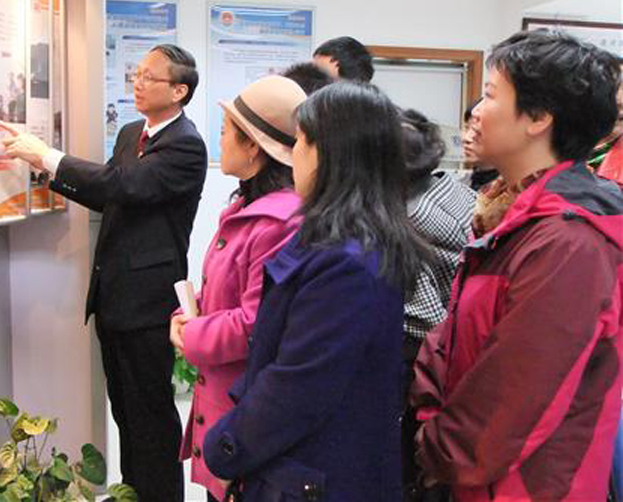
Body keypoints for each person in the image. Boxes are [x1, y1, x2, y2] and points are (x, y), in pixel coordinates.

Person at [411, 29, 623, 502]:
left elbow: (515, 394)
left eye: (490, 95)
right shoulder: (505, 214)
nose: (476, 112)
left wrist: (437, 446)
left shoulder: (570, 240)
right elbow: (450, 337)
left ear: (539, 118)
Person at [203, 82, 429, 501]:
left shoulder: (348, 261)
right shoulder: (340, 239)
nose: (293, 157)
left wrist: (227, 448)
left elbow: (296, 386)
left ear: (332, 155)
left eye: (301, 143)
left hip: (316, 474)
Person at [3, 44, 207, 502]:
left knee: (151, 418)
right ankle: (134, 494)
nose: (137, 83)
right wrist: (46, 171)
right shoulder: (132, 132)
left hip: (148, 300)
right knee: (126, 415)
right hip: (114, 294)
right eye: (136, 73)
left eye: (149, 76)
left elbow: (125, 185)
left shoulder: (186, 144)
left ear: (179, 90)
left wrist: (48, 155)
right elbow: (108, 194)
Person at [169, 75, 305, 501]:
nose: (220, 140)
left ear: (253, 147)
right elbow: (223, 293)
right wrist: (187, 313)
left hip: (244, 409)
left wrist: (194, 333)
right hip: (225, 399)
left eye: (227, 131)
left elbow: (257, 322)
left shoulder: (280, 223)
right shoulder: (248, 207)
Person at [398, 108, 475, 501]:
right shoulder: (453, 189)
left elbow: (425, 321)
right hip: (465, 356)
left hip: (433, 374)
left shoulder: (405, 219)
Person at [460, 98, 498, 192]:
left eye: (477, 130)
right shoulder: (460, 184)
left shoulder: (513, 190)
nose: (466, 138)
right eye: (466, 128)